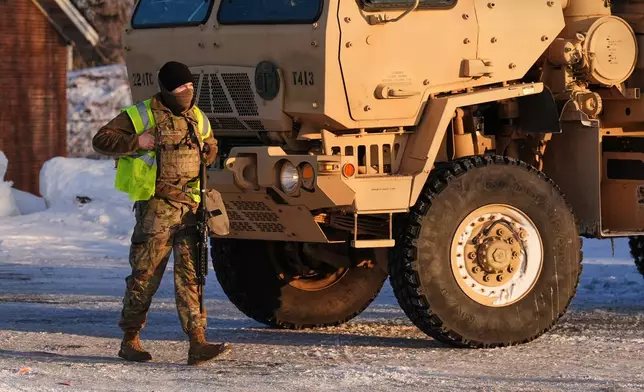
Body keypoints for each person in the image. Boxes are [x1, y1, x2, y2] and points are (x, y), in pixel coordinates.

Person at [92, 61, 231, 365]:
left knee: (192, 277)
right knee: (144, 277)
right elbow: (101, 139)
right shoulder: (142, 114)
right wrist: (135, 141)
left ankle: (198, 342)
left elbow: (210, 140)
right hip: (156, 209)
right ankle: (130, 340)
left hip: (190, 210)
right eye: (181, 87)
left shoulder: (195, 116)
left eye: (191, 86)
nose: (187, 92)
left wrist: (211, 149)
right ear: (167, 89)